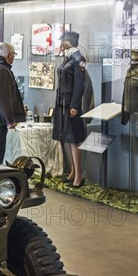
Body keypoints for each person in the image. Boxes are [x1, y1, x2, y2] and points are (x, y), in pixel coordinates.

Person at [51, 31, 87, 188]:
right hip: (62, 103)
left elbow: (80, 86)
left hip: (71, 105)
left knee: (74, 141)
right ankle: (73, 172)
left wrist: (74, 106)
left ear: (70, 41)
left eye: (64, 41)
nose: (61, 43)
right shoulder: (68, 57)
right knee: (67, 139)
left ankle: (79, 176)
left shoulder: (78, 59)